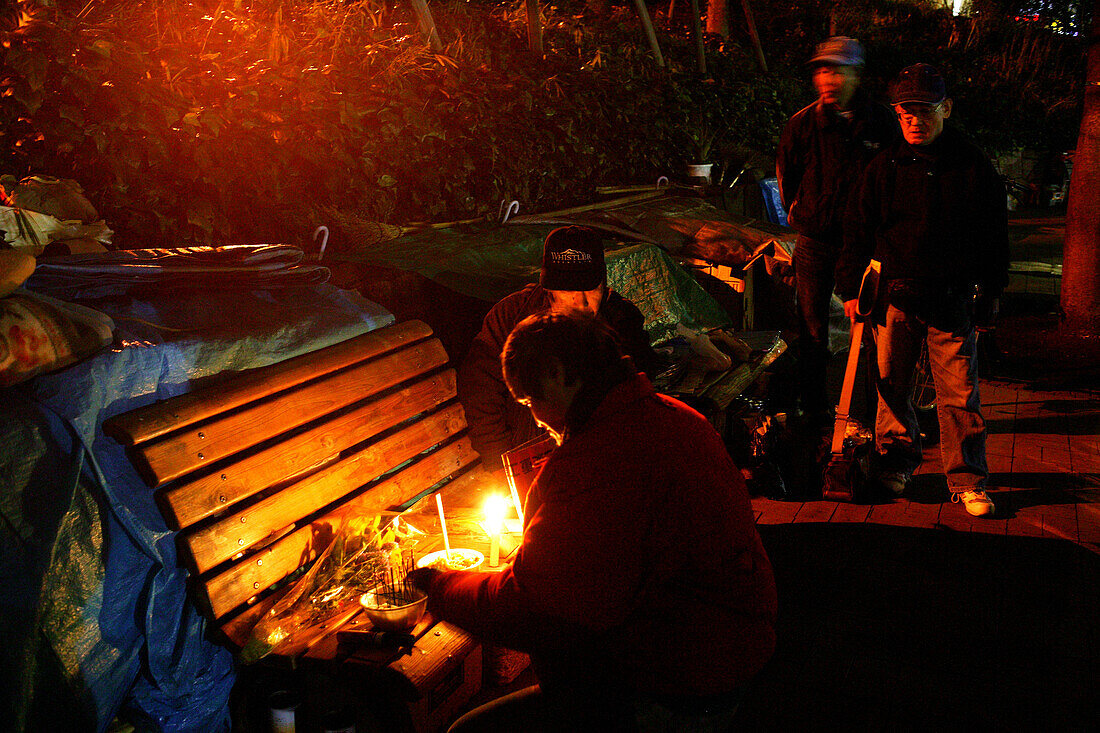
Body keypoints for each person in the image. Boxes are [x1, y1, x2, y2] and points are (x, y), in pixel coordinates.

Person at [411, 313, 776, 731]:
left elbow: (539, 611)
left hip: (678, 683)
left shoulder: (602, 457)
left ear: (558, 374)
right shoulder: (667, 414)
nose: (538, 420)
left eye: (532, 402)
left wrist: (439, 586)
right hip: (723, 651)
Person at [837, 63, 1009, 517]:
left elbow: (994, 234)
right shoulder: (884, 166)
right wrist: (850, 288)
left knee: (958, 394)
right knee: (891, 387)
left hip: (952, 299)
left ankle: (968, 480)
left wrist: (991, 290)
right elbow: (857, 229)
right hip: (895, 295)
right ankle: (897, 464)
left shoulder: (972, 166)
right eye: (904, 112)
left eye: (923, 111)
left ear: (946, 109)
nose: (914, 121)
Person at [457, 225, 657, 474]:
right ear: (547, 288)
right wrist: (501, 464)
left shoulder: (621, 320)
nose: (581, 302)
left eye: (590, 288)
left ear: (604, 283)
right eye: (568, 290)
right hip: (526, 457)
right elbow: (480, 391)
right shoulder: (509, 317)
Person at [776, 36, 899, 433]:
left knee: (874, 333)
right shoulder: (801, 124)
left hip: (865, 245)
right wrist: (804, 214)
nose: (828, 79)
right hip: (814, 241)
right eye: (823, 70)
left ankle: (873, 417)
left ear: (855, 75)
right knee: (812, 333)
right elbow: (787, 179)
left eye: (838, 70)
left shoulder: (881, 123)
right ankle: (815, 415)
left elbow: (892, 181)